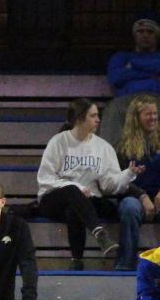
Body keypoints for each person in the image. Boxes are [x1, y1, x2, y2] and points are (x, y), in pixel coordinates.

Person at [37, 99, 142, 270]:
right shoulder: (58, 142)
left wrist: (128, 174)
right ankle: (99, 233)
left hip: (87, 202)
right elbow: (45, 178)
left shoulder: (103, 147)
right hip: (55, 198)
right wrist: (77, 188)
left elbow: (109, 185)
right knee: (71, 190)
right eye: (93, 116)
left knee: (75, 209)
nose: (98, 119)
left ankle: (76, 261)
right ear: (79, 119)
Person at [114, 96, 160, 271]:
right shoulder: (123, 148)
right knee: (129, 208)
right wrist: (141, 195)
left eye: (155, 114)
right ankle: (126, 265)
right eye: (148, 114)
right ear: (136, 118)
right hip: (134, 197)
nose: (153, 118)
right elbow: (118, 181)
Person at [101, 13, 160, 148]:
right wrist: (154, 75)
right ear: (135, 35)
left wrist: (132, 66)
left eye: (150, 32)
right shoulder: (121, 56)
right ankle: (110, 159)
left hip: (159, 98)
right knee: (112, 110)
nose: (145, 35)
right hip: (127, 99)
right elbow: (116, 78)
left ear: (157, 35)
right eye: (140, 31)